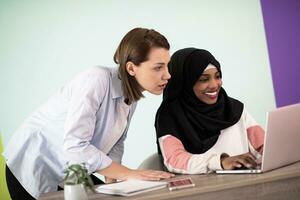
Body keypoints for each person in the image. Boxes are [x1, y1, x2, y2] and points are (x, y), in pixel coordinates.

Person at [3, 27, 174, 199]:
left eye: (167, 66)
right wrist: (128, 173)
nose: (167, 75)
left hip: (70, 169)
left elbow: (117, 142)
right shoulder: (96, 79)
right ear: (131, 68)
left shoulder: (132, 94)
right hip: (34, 163)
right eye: (158, 67)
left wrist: (115, 180)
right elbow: (76, 145)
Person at [155, 48, 264, 174]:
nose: (214, 85)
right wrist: (220, 162)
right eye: (204, 79)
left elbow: (263, 148)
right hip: (200, 191)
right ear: (185, 83)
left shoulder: (233, 108)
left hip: (245, 185)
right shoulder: (169, 115)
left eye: (217, 76)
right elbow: (175, 160)